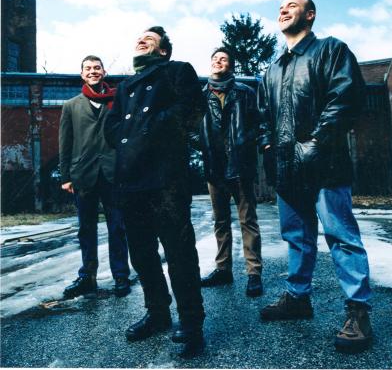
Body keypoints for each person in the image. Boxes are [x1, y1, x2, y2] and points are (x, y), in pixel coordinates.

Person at [257, 0, 373, 353]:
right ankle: (297, 299)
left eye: (292, 6)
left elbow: (346, 98)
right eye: (281, 7)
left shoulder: (331, 50)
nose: (283, 10)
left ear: (310, 15)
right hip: (286, 168)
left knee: (341, 236)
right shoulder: (272, 69)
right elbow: (263, 117)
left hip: (326, 165)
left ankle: (358, 311)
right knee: (296, 236)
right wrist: (267, 145)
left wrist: (317, 142)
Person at [104, 26, 206, 357]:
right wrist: (131, 135)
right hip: (131, 179)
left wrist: (147, 130)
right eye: (140, 37)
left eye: (150, 38)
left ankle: (191, 323)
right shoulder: (125, 86)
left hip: (166, 178)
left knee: (179, 252)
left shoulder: (177, 71)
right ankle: (158, 313)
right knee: (142, 253)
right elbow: (112, 127)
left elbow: (191, 110)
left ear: (162, 50)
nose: (141, 39)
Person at [59, 55, 131, 299]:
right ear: (82, 74)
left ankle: (120, 276)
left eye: (97, 68)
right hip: (83, 174)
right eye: (88, 68)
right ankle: (87, 277)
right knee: (86, 229)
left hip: (113, 174)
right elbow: (65, 143)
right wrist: (66, 176)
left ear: (103, 72)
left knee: (117, 227)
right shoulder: (71, 105)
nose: (93, 71)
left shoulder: (117, 101)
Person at [199, 47, 267, 297]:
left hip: (240, 165)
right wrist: (204, 145)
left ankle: (254, 273)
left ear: (231, 65)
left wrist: (246, 143)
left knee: (247, 220)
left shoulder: (244, 92)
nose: (218, 61)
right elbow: (192, 128)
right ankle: (223, 269)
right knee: (220, 221)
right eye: (215, 58)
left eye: (223, 58)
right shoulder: (201, 95)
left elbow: (259, 123)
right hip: (214, 166)